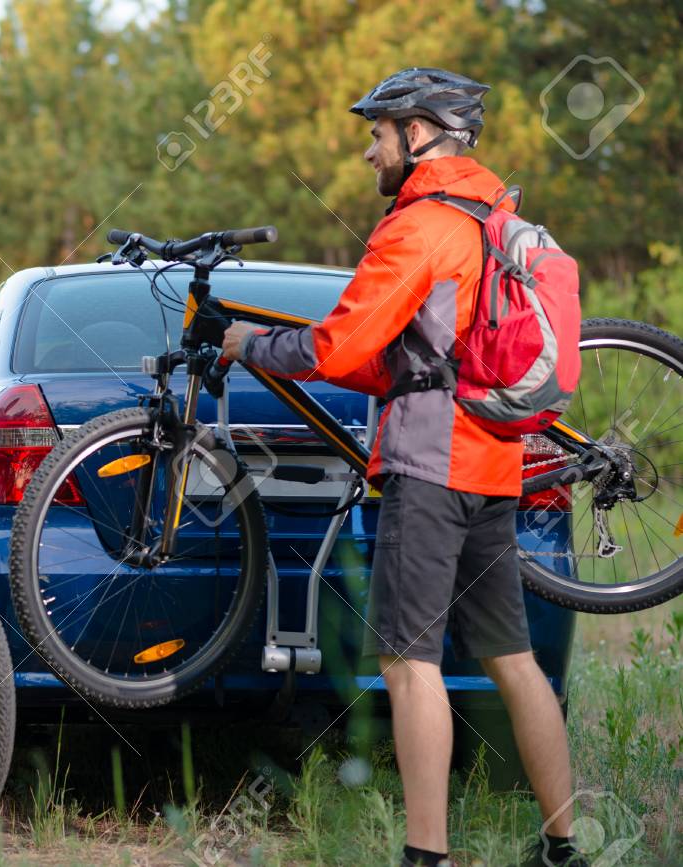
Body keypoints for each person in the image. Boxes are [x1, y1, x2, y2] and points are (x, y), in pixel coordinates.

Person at [222, 68, 582, 867]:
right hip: (493, 464)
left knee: (409, 663)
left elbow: (340, 343)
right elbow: (402, 358)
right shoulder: (491, 214)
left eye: (378, 133)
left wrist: (257, 347)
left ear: (418, 134)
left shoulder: (417, 227)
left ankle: (427, 856)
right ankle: (563, 847)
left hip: (430, 465)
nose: (367, 150)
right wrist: (317, 357)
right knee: (514, 660)